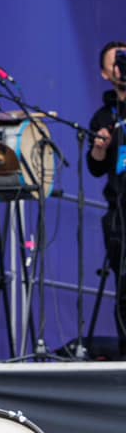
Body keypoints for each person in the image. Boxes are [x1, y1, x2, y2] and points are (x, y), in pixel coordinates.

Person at [86, 40, 126, 344]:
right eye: (118, 61)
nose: (123, 66)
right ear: (105, 73)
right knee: (124, 288)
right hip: (119, 213)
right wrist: (101, 147)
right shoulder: (104, 116)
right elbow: (96, 167)